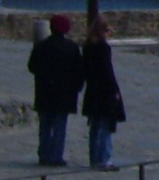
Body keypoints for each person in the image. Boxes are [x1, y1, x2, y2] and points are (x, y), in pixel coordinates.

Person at [28, 14, 85, 168]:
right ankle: (56, 156)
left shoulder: (41, 46)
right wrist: (77, 87)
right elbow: (79, 71)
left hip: (45, 92)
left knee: (45, 126)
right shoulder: (71, 48)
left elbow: (32, 66)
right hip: (64, 94)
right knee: (60, 127)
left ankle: (44, 155)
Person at [81, 20, 126, 171]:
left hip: (93, 90)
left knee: (95, 126)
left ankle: (94, 158)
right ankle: (103, 159)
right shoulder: (103, 48)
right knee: (105, 126)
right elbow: (107, 71)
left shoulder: (87, 48)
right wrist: (114, 91)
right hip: (104, 92)